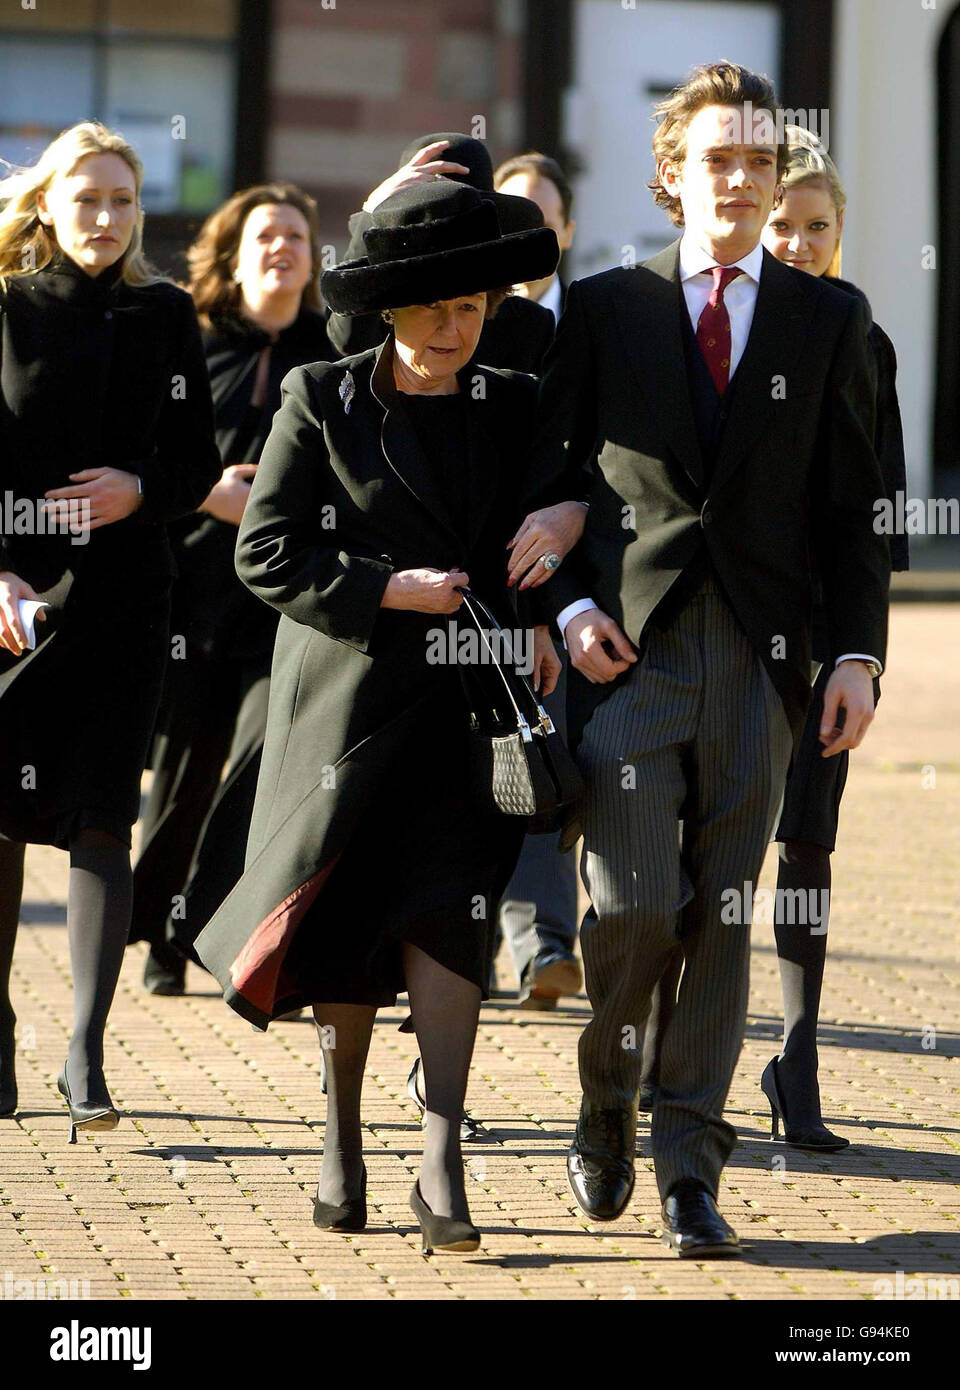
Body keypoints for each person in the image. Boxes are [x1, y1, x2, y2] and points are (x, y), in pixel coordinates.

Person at [527, 62, 890, 1257]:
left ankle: (691, 1161)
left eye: (760, 160)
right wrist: (573, 613)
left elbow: (853, 513)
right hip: (629, 654)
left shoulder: (830, 319)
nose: (741, 179)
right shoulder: (605, 308)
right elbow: (552, 490)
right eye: (718, 158)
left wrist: (856, 657)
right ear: (672, 173)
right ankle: (603, 1106)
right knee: (631, 907)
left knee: (723, 915)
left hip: (765, 663)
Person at [194, 179, 566, 1253]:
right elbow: (264, 552)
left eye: (475, 308)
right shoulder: (323, 394)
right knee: (349, 935)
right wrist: (386, 588)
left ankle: (441, 1161)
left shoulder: (513, 400)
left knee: (451, 920)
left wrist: (546, 597)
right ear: (393, 306)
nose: (459, 329)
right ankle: (342, 1134)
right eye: (437, 308)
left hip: (470, 712)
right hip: (348, 716)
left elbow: (556, 521)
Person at [640, 128, 910, 1145]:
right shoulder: (687, 317)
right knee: (698, 852)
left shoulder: (856, 336)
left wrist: (862, 651)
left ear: (841, 233)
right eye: (784, 224)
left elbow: (873, 512)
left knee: (806, 845)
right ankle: (669, 1059)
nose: (797, 242)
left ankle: (796, 1063)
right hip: (714, 632)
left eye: (817, 226)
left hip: (815, 637)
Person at [0, 122, 220, 1135]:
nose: (105, 218)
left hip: (131, 599)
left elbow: (194, 465)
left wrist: (142, 490)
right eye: (87, 198)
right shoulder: (6, 308)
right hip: (13, 602)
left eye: (123, 201)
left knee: (102, 819)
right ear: (47, 203)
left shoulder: (166, 312)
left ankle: (84, 1051)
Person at [129, 183, 334, 996]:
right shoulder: (193, 339)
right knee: (183, 772)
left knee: (258, 763)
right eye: (266, 237)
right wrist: (207, 493)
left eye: (296, 236)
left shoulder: (327, 347)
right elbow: (147, 454)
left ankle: (204, 920)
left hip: (285, 605)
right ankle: (156, 931)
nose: (282, 248)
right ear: (235, 252)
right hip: (192, 597)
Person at [489, 152, 582, 1009]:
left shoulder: (598, 325)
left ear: (568, 231)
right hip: (486, 591)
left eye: (540, 217)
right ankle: (528, 946)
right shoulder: (461, 326)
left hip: (590, 594)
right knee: (513, 760)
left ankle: (545, 944)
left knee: (554, 764)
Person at [326, 133, 555, 373]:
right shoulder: (393, 302)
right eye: (430, 304)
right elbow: (349, 338)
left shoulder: (530, 325)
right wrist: (373, 213)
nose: (449, 327)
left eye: (467, 307)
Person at [494, 151, 576, 323]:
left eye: (544, 229)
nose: (528, 240)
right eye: (514, 225)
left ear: (568, 234)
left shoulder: (594, 322)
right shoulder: (463, 325)